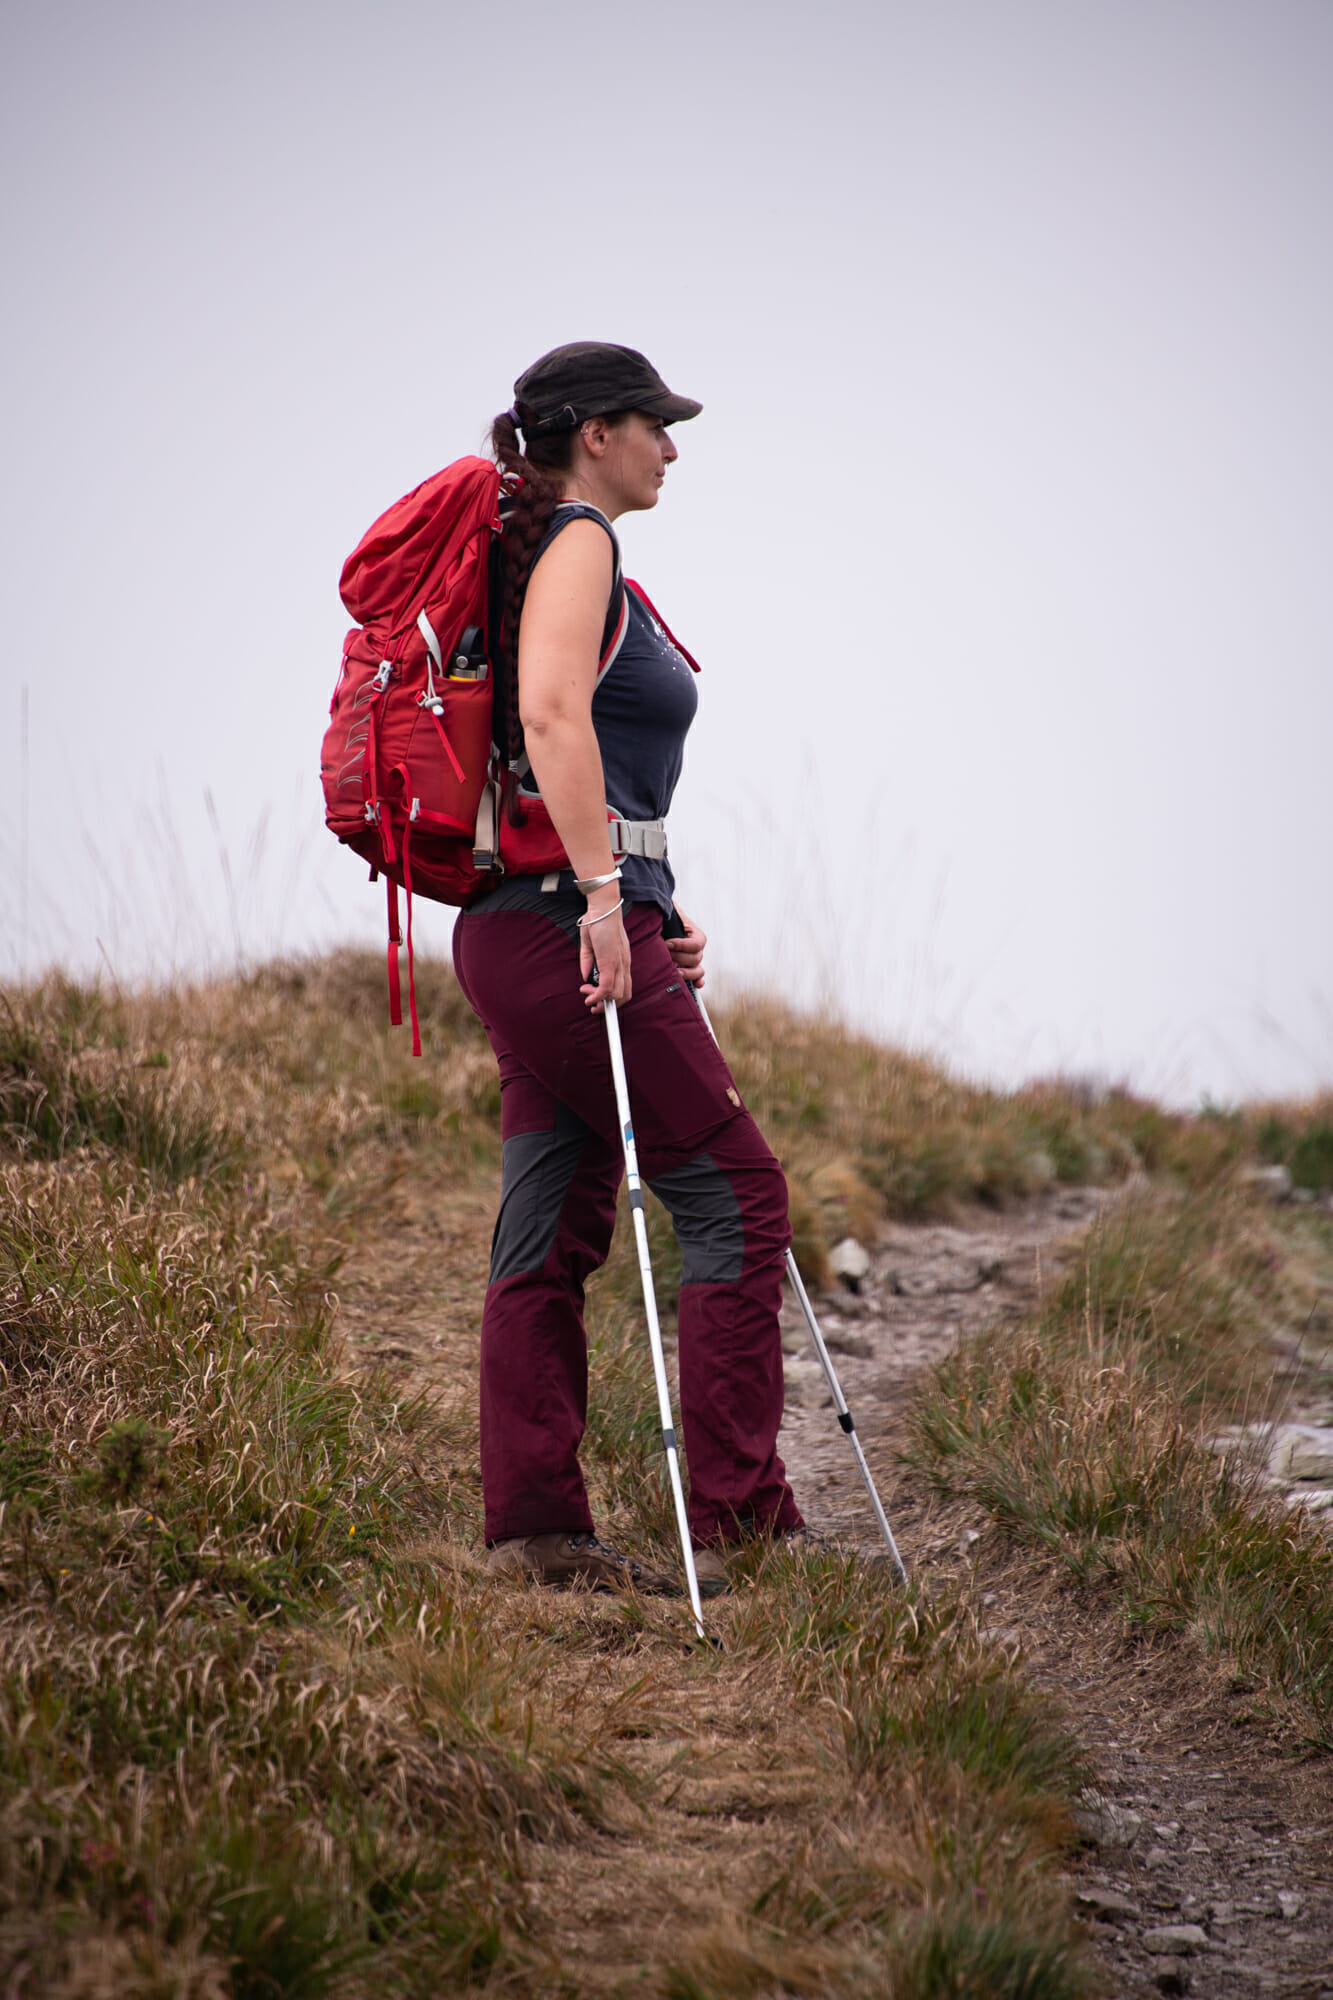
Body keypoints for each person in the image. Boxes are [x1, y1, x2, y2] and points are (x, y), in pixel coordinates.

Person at [451, 341, 804, 1598]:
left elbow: (580, 755)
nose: (672, 443)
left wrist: (648, 901)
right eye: (657, 420)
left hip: (537, 920)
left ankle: (539, 1532)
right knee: (736, 1194)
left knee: (550, 1220)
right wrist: (608, 901)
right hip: (560, 922)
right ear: (594, 432)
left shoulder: (546, 547)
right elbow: (549, 713)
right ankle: (742, 1526)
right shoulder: (580, 540)